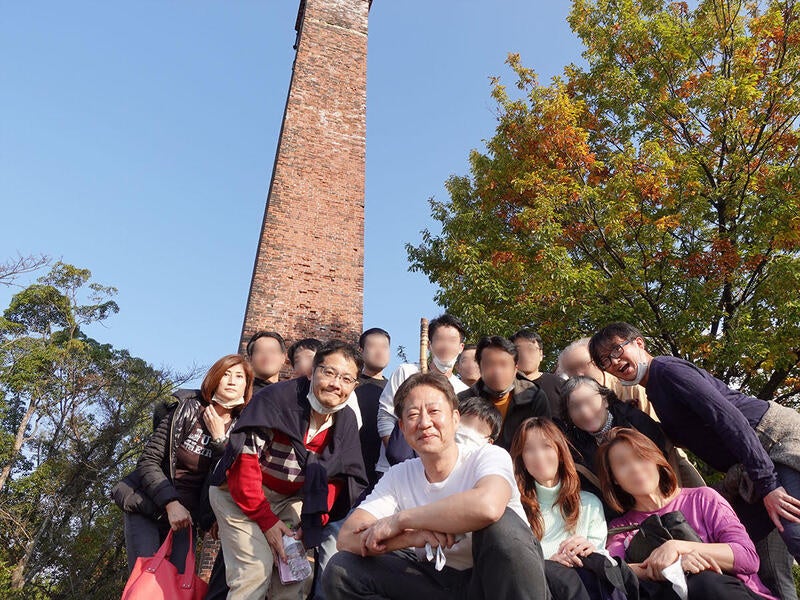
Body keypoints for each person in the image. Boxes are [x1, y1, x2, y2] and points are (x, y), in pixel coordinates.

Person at [321, 372, 550, 599]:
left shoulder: (488, 456)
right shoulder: (398, 475)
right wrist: (410, 538)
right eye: (412, 414)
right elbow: (347, 538)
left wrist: (401, 520)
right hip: (438, 581)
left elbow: (487, 506)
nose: (424, 423)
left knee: (502, 524)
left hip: (495, 583)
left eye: (434, 411)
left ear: (455, 418)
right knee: (342, 569)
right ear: (401, 427)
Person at [589, 323, 800, 561]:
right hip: (748, 467)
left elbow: (729, 419)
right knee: (740, 542)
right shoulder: (655, 391)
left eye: (617, 350)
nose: (614, 362)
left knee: (795, 531)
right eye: (605, 360)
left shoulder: (667, 370)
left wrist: (768, 485)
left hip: (774, 440)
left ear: (639, 343)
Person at [208, 341, 368, 600]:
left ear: (354, 386)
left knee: (295, 578)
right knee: (254, 572)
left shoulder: (345, 419)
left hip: (292, 500)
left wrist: (312, 521)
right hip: (239, 494)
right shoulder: (277, 399)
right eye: (329, 373)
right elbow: (244, 465)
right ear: (312, 370)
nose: (336, 384)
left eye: (346, 379)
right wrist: (268, 521)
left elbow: (338, 478)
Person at [598, 428, 777, 599]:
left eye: (640, 457)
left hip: (732, 591)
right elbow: (615, 573)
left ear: (656, 459)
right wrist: (675, 567)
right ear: (614, 479)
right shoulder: (619, 529)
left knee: (703, 584)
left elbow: (747, 557)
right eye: (622, 464)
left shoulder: (702, 498)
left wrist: (678, 547)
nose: (635, 468)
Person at [115, 354, 253, 574]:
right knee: (146, 579)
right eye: (225, 374)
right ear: (214, 378)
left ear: (246, 387)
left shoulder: (242, 429)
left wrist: (219, 440)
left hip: (187, 520)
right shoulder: (187, 409)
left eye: (239, 376)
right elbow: (148, 461)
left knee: (176, 584)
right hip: (149, 504)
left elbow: (234, 477)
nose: (231, 381)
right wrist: (171, 503)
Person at [510, 417, 633, 600]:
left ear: (560, 452)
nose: (539, 456)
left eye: (546, 446)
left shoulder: (590, 504)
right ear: (522, 460)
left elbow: (603, 565)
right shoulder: (514, 510)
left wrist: (591, 550)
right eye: (529, 450)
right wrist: (548, 564)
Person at [560, 375, 704, 500]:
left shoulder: (635, 422)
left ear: (605, 400)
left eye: (588, 401)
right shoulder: (575, 449)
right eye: (575, 406)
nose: (584, 412)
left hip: (670, 494)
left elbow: (666, 460)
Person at [375, 314, 469, 473]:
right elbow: (385, 415)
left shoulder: (463, 390)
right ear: (429, 345)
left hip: (439, 473)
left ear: (461, 347)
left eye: (452, 341)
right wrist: (397, 451)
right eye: (440, 339)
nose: (446, 346)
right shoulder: (406, 372)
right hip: (394, 469)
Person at [457, 335, 551, 450]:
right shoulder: (464, 400)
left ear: (515, 368)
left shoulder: (534, 397)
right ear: (480, 367)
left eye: (504, 364)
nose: (497, 371)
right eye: (490, 364)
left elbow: (546, 441)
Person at [559, 337, 652, 416]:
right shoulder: (575, 406)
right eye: (571, 371)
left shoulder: (631, 386)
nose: (579, 374)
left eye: (583, 365)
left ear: (599, 362)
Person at [356, 327, 391, 488]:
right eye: (373, 347)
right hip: (354, 467)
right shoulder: (350, 385)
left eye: (384, 347)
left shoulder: (394, 389)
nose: (380, 352)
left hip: (385, 470)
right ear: (361, 351)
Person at [511, 328, 564, 417]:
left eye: (530, 349)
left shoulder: (560, 384)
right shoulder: (503, 387)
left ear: (541, 354)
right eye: (518, 351)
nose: (524, 355)